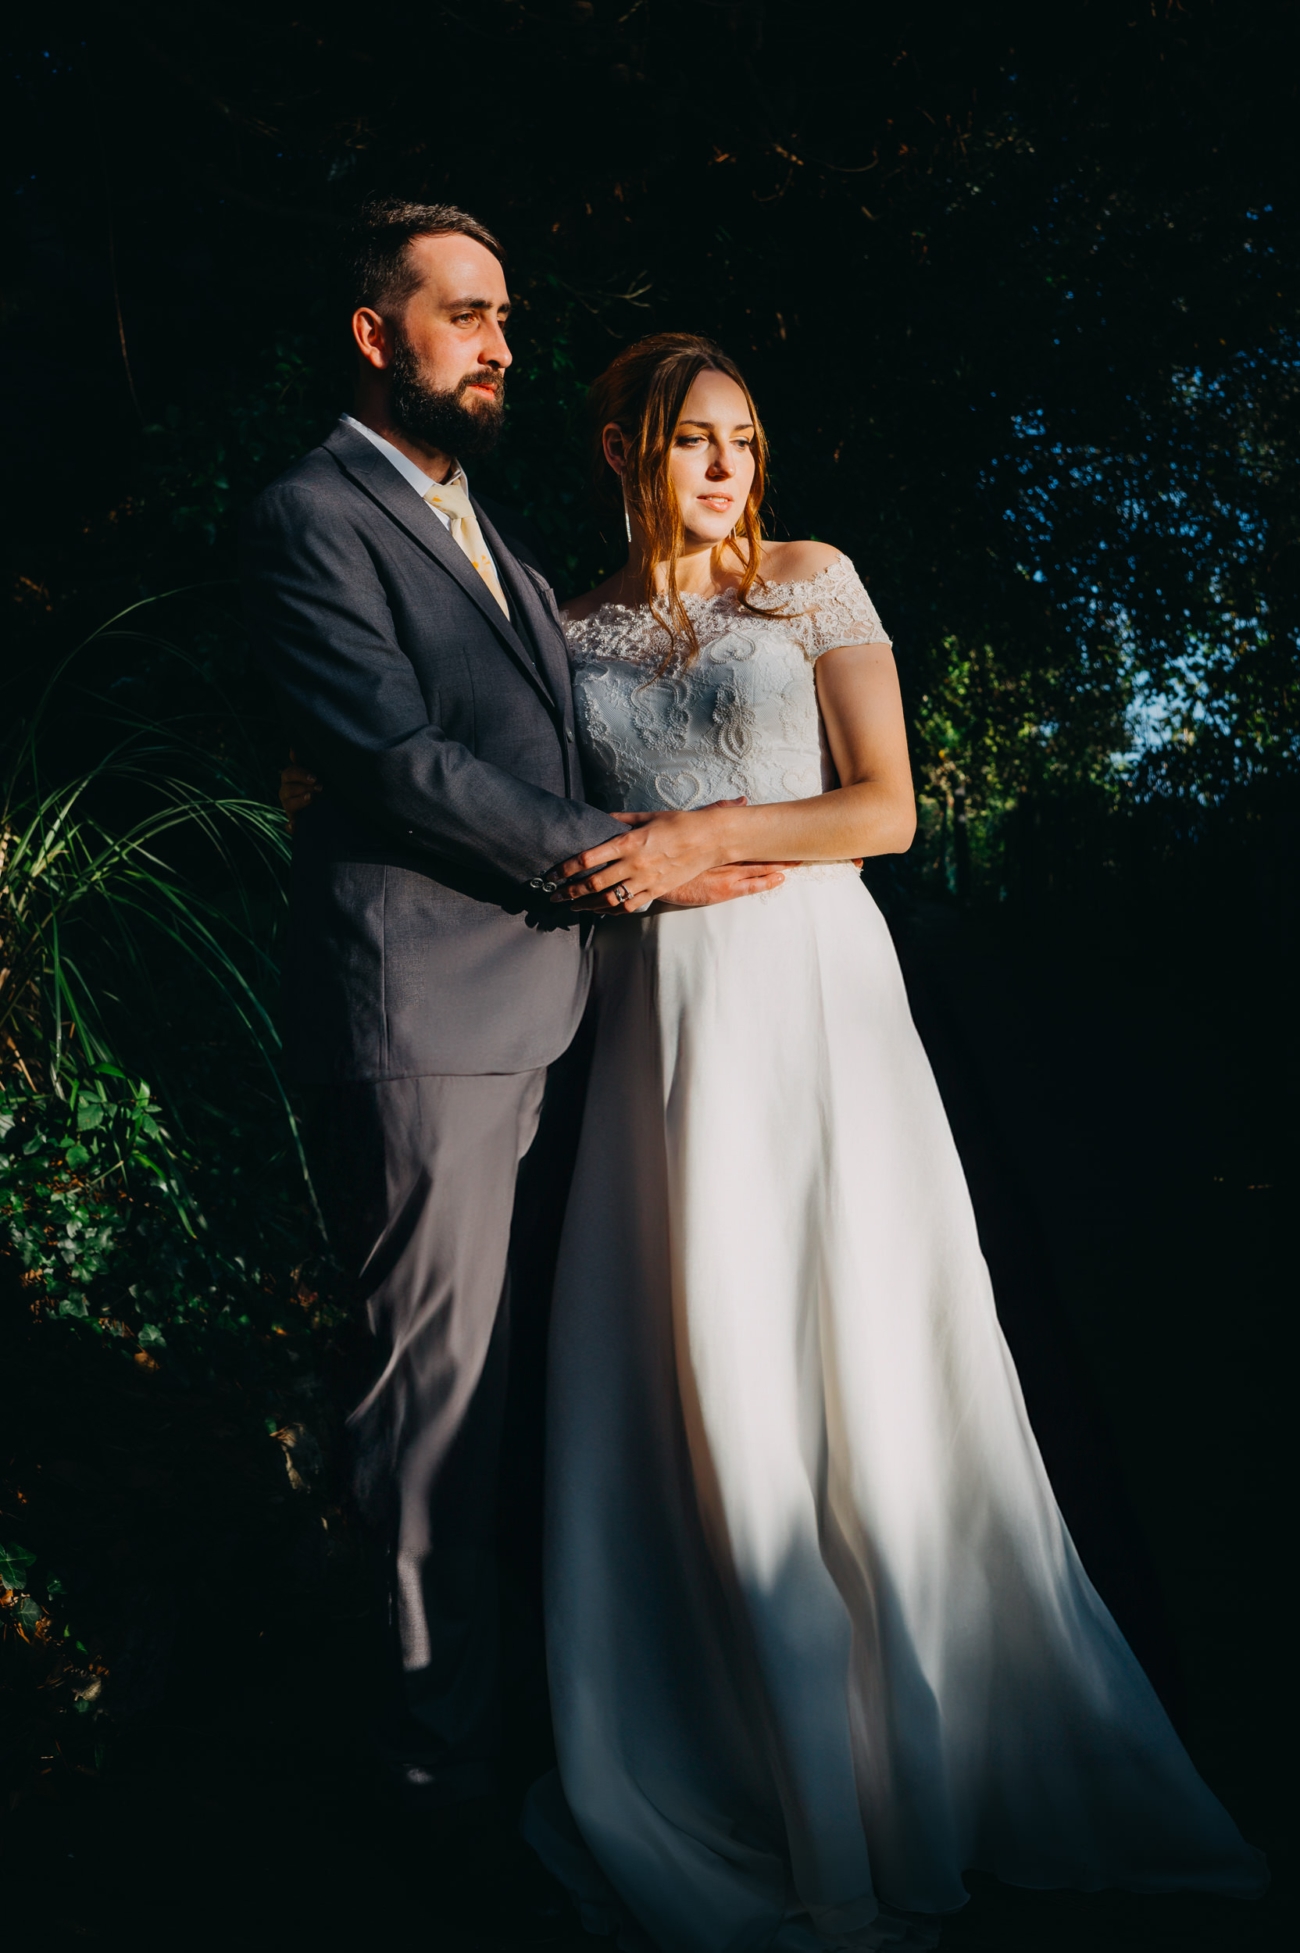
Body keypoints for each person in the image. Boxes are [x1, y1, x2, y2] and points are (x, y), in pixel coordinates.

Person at [510, 333, 1268, 1949]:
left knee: (862, 1352)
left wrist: (707, 828)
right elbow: (540, 825)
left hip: (816, 1001)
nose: (725, 464)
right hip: (662, 1024)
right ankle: (748, 1755)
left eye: (743, 437)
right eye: (691, 438)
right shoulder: (566, 627)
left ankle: (925, 1772)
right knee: (705, 1375)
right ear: (622, 450)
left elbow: (886, 806)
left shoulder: (811, 580)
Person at [242, 207, 771, 1815]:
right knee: (429, 1412)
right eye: (465, 314)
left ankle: (549, 1719)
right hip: (432, 1027)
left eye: (505, 318)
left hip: (571, 1023)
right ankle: (426, 1767)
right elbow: (401, 762)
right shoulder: (309, 517)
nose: (498, 344)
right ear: (373, 333)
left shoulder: (504, 540)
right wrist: (645, 858)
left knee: (549, 1389)